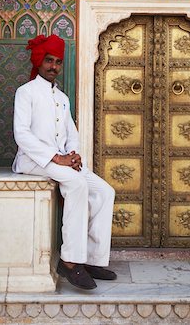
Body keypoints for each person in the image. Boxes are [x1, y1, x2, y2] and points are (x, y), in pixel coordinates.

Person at [12, 34, 116, 290]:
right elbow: (21, 134)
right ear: (39, 62)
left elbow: (71, 133)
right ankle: (69, 261)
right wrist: (56, 157)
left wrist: (74, 153)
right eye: (49, 60)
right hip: (32, 160)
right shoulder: (25, 93)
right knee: (77, 184)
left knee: (105, 191)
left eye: (58, 62)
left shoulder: (62, 97)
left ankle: (91, 258)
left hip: (61, 161)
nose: (54, 67)